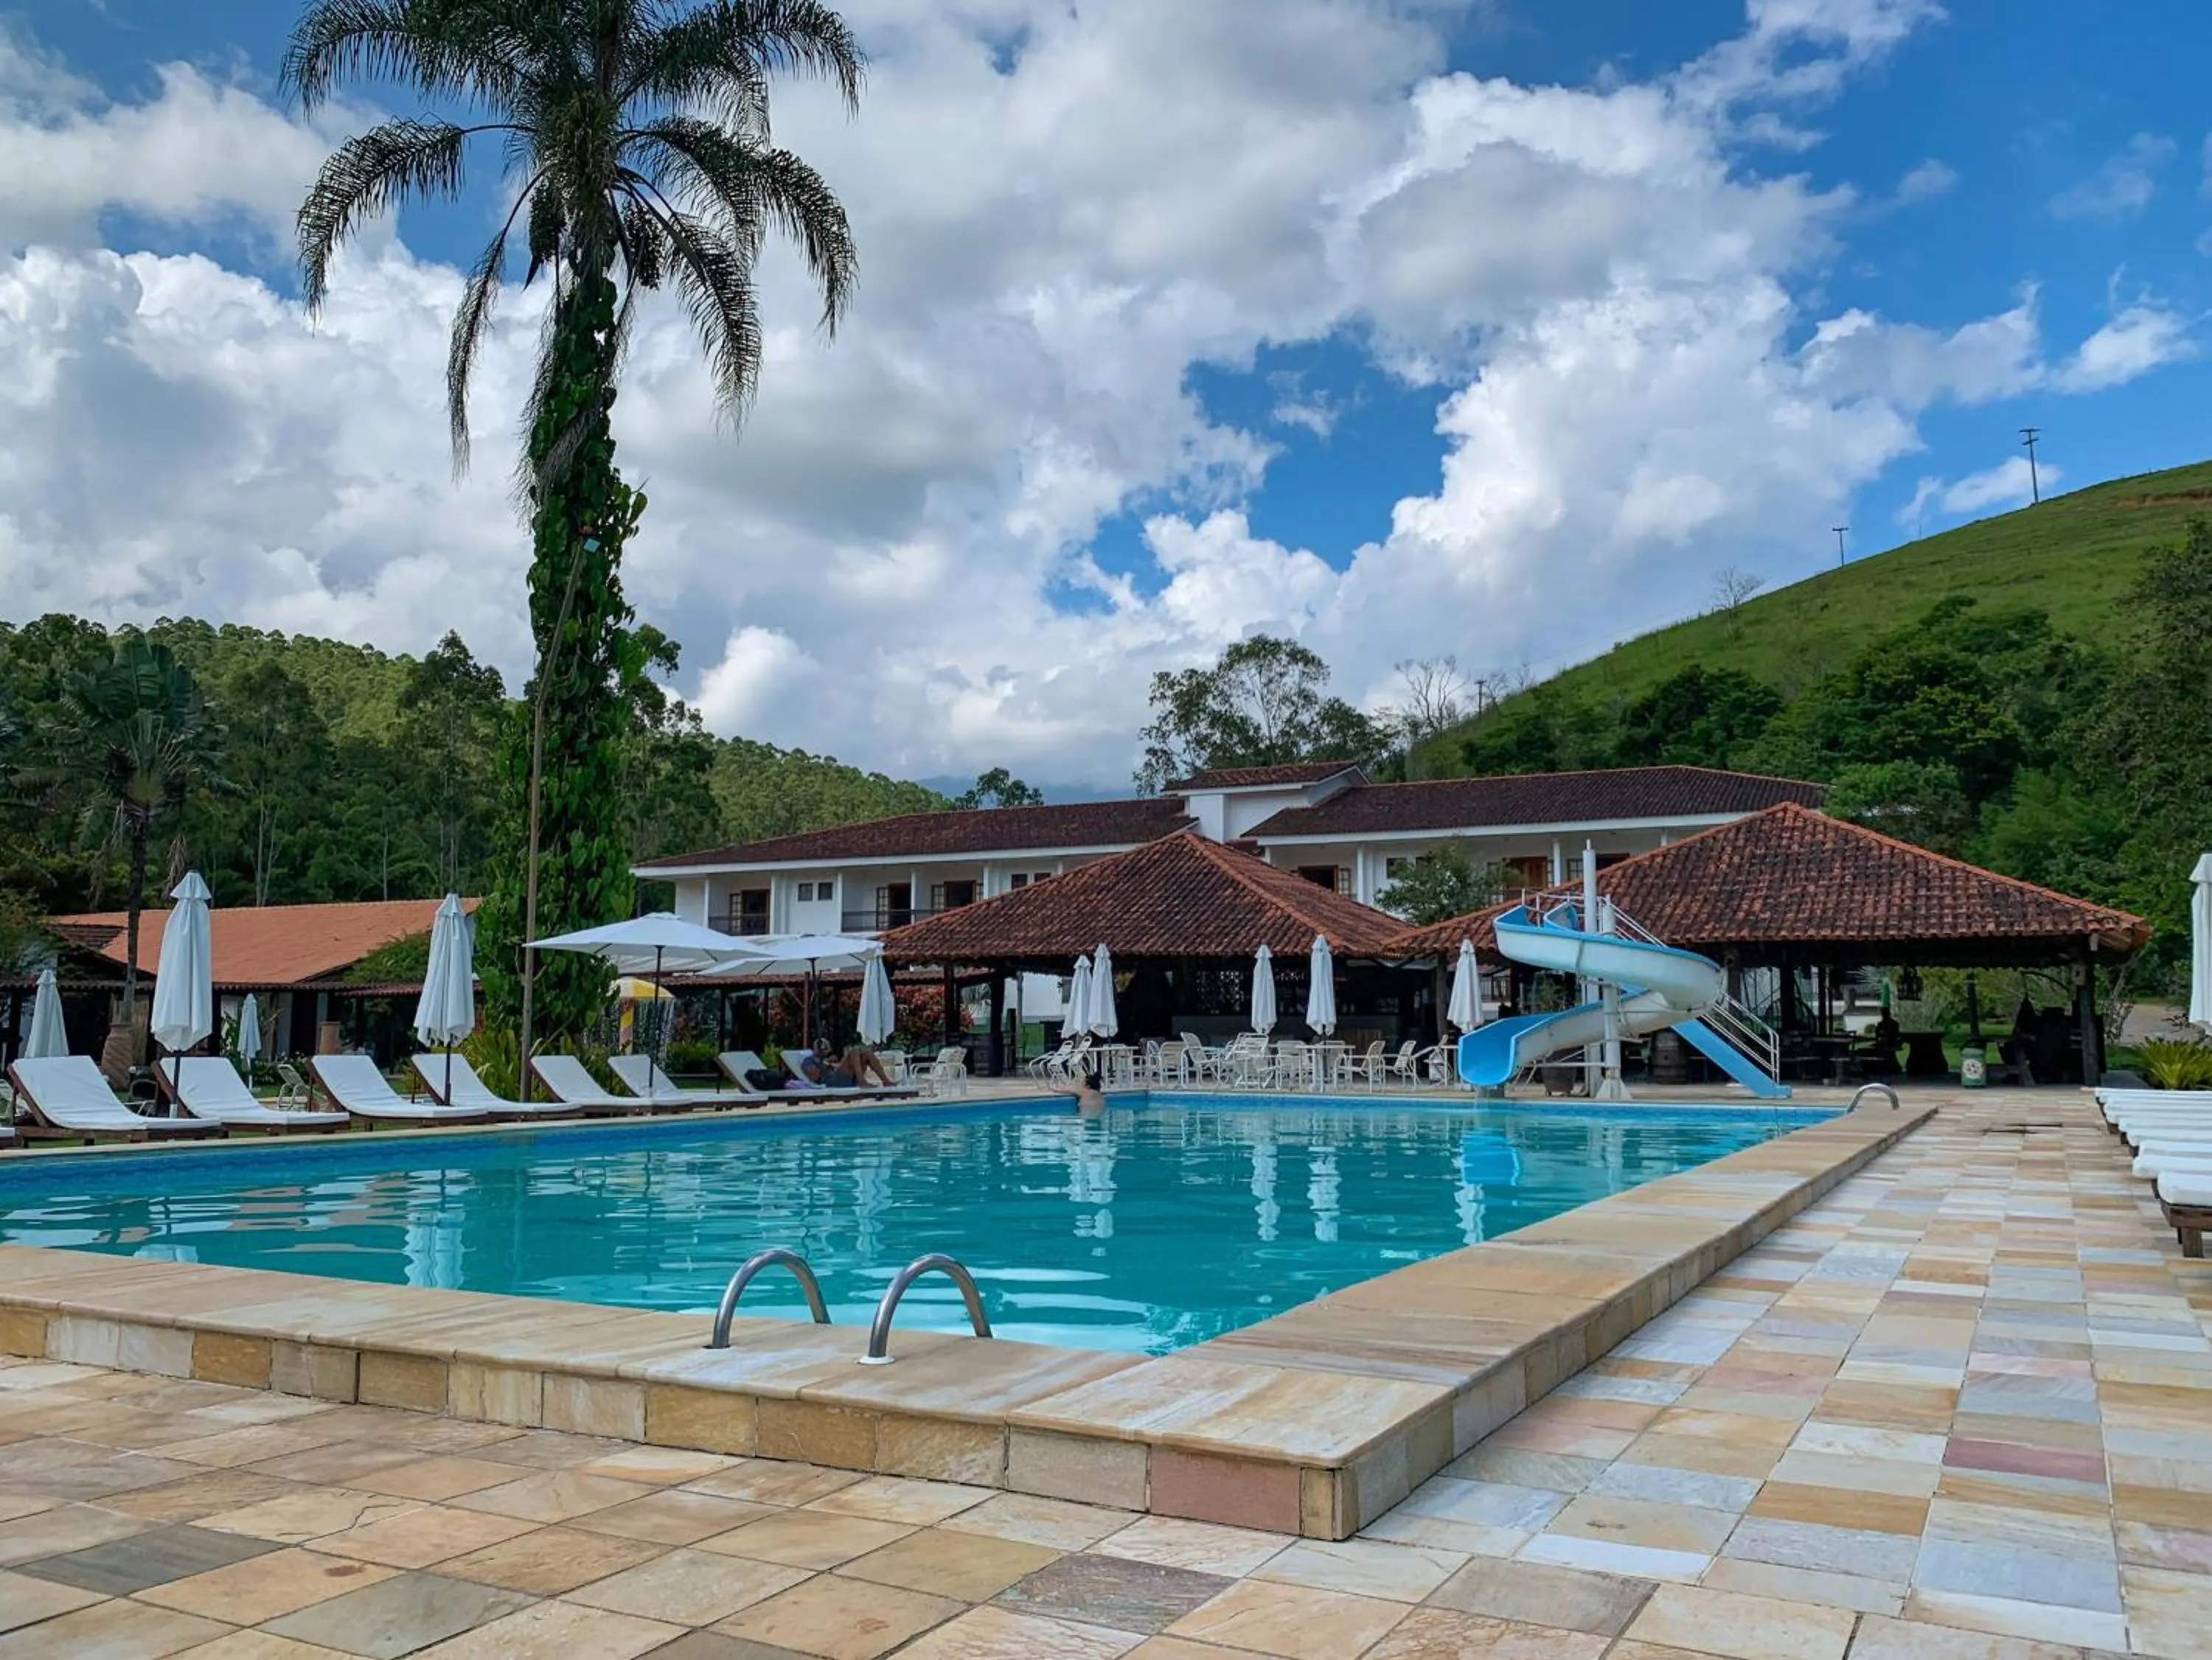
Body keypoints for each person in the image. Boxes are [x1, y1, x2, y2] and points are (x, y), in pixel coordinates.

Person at [800, 1045, 895, 1087]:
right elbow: (815, 1075)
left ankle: (886, 1082)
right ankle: (862, 1082)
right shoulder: (808, 1061)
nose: (825, 1048)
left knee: (867, 1053)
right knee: (853, 1051)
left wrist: (835, 1064)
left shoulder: (825, 1060)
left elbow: (837, 1068)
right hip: (831, 1083)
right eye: (822, 1046)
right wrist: (826, 1062)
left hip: (843, 1078)